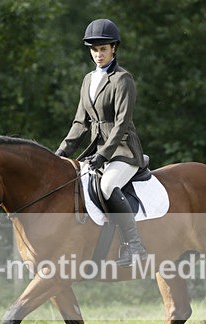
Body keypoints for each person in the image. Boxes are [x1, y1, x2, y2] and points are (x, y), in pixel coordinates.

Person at [55, 18, 147, 267]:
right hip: (96, 151)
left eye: (103, 49)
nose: (98, 54)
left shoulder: (122, 79)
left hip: (123, 150)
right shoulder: (88, 80)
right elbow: (80, 123)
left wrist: (104, 154)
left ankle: (135, 247)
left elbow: (121, 123)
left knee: (107, 186)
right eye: (94, 50)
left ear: (114, 48)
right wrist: (60, 153)